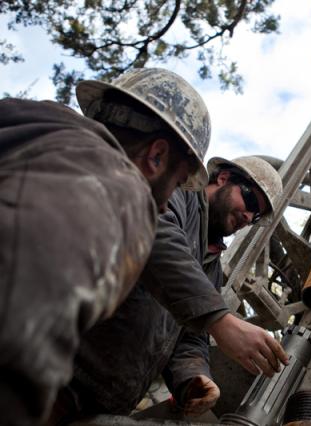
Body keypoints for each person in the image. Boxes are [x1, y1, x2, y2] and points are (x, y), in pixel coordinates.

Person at [0, 67, 212, 425]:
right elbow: (18, 316)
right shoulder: (118, 184)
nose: (162, 208)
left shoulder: (31, 134)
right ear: (156, 156)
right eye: (175, 184)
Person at [49, 156, 288, 422]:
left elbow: (190, 335)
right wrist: (220, 320)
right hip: (57, 368)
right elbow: (157, 236)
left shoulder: (212, 268)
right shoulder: (177, 193)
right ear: (223, 179)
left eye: (255, 216)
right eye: (251, 201)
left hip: (106, 403)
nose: (247, 216)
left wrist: (193, 376)